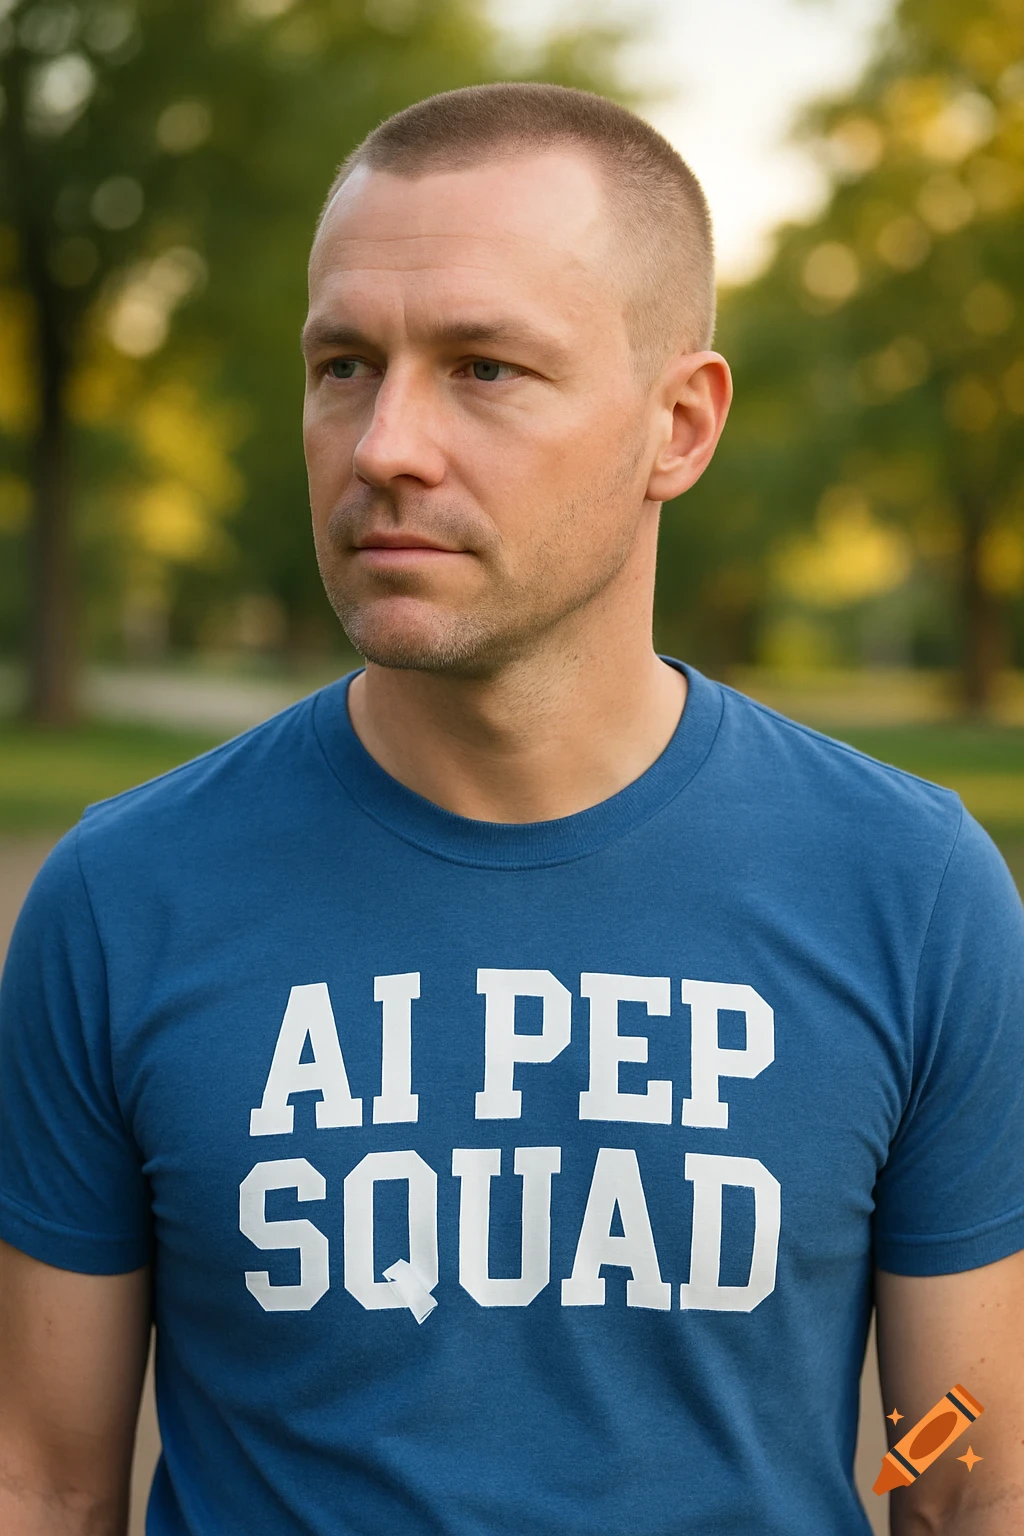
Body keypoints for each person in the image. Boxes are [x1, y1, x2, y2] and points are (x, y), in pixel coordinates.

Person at [1, 82, 1022, 1536]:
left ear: (679, 425)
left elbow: (971, 1477)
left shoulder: (912, 889)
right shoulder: (121, 898)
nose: (384, 446)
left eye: (484, 368)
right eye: (345, 364)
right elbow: (40, 1482)